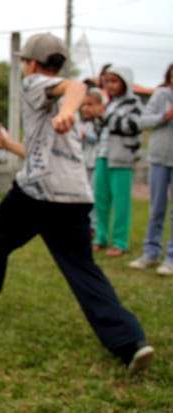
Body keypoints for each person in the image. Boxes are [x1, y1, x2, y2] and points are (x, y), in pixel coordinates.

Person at [0, 33, 153, 374]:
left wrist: (66, 109)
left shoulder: (36, 84)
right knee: (82, 269)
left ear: (32, 63)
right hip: (73, 194)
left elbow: (76, 87)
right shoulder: (60, 105)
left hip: (37, 191)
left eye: (23, 62)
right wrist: (6, 142)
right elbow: (40, 151)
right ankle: (130, 342)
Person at [93, 66, 143, 257]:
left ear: (125, 82)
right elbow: (101, 128)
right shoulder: (110, 103)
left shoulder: (135, 103)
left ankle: (120, 242)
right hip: (103, 154)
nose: (110, 85)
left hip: (122, 158)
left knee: (121, 202)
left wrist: (106, 117)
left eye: (115, 81)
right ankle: (101, 237)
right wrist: (99, 117)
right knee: (101, 199)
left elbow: (132, 126)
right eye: (108, 81)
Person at [129, 64, 173, 274]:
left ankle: (171, 258)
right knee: (156, 208)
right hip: (159, 159)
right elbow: (142, 121)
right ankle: (151, 252)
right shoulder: (161, 95)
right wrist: (164, 116)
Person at [77, 86, 108, 232]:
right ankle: (83, 223)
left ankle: (94, 225)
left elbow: (98, 139)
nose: (85, 108)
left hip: (96, 163)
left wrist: (86, 135)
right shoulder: (81, 122)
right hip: (83, 163)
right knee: (83, 195)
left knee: (94, 195)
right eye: (83, 104)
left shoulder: (100, 122)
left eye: (90, 104)